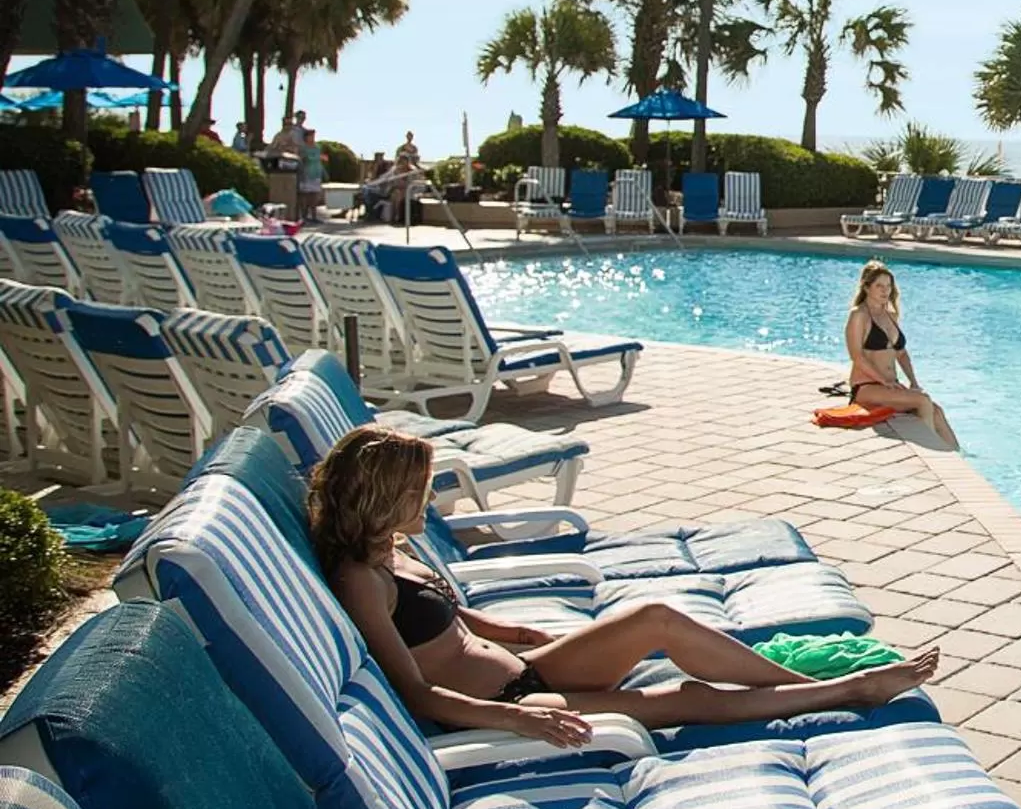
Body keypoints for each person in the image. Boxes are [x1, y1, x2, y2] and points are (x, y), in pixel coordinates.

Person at [309, 426, 939, 742]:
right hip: (515, 706)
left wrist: (525, 633)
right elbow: (417, 692)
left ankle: (815, 686)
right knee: (681, 700)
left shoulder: (393, 545)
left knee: (655, 618)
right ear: (383, 496)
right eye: (419, 492)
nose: (431, 500)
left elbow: (457, 619)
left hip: (529, 667)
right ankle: (846, 693)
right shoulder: (361, 580)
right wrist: (517, 720)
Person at [843, 260, 959, 447]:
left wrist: (913, 381)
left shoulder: (891, 315)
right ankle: (931, 451)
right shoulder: (859, 315)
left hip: (891, 386)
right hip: (867, 387)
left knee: (937, 411)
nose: (885, 291)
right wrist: (884, 381)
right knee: (922, 402)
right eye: (879, 286)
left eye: (888, 286)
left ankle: (956, 455)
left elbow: (901, 354)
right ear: (866, 287)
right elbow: (857, 357)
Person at [297, 127, 326, 223]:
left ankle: (314, 216)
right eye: (310, 136)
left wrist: (324, 172)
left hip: (316, 174)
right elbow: (305, 159)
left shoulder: (317, 147)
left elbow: (319, 161)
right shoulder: (303, 148)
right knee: (305, 196)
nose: (312, 138)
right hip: (306, 174)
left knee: (315, 196)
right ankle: (304, 216)